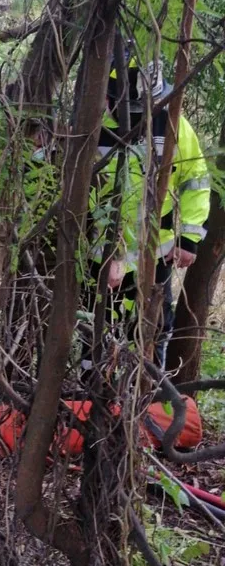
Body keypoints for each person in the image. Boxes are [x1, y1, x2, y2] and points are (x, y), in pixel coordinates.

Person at [87, 56, 210, 369]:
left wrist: (190, 236)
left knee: (151, 328)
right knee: (94, 329)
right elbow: (85, 196)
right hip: (100, 254)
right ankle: (91, 396)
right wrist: (109, 255)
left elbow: (195, 179)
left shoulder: (172, 122)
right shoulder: (91, 125)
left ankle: (145, 397)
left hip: (155, 252)